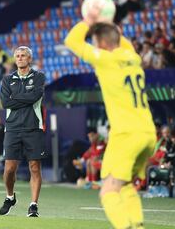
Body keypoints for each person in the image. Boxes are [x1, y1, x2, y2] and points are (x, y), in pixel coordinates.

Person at [64, 13, 156, 228]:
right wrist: (109, 24)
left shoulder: (106, 59)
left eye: (96, 41)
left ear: (103, 43)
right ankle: (137, 225)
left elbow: (71, 41)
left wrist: (90, 20)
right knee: (126, 186)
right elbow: (119, 39)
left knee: (108, 190)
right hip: (148, 133)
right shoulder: (133, 57)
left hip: (126, 134)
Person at [0, 46, 46, 217]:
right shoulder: (7, 79)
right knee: (9, 168)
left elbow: (35, 97)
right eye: (17, 56)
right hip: (12, 128)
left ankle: (33, 205)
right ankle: (10, 197)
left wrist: (14, 99)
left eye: (23, 55)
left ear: (29, 59)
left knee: (34, 167)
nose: (19, 58)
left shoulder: (39, 77)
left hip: (33, 127)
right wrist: (23, 98)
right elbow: (5, 103)